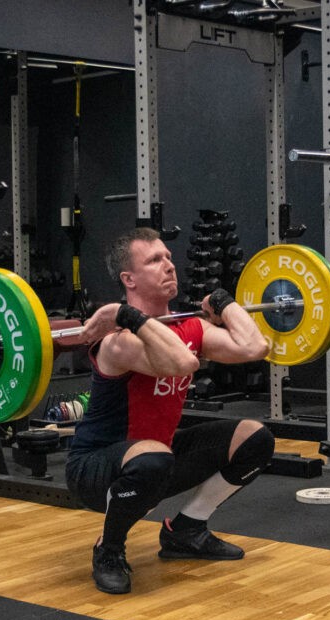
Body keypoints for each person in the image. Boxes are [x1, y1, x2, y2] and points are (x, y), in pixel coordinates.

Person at [65, 227, 275, 594]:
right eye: (154, 260)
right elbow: (181, 363)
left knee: (254, 438)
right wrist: (125, 316)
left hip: (156, 458)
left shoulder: (186, 326)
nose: (169, 266)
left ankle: (187, 530)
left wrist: (226, 303)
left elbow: (256, 346)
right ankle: (108, 549)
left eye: (168, 257)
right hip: (95, 468)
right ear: (128, 279)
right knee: (154, 458)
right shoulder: (118, 342)